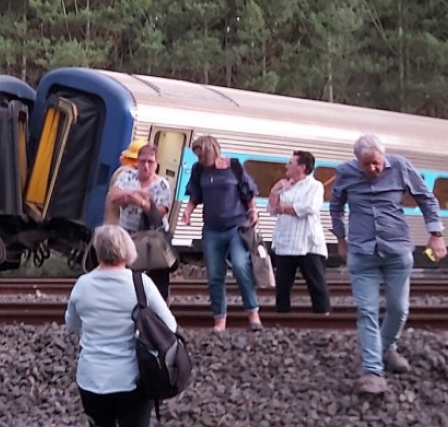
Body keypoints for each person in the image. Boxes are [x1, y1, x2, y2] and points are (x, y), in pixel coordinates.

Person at [65, 224, 176, 427]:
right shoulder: (140, 284)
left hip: (92, 380)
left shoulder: (83, 285)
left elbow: (71, 325)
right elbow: (169, 325)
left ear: (98, 252)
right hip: (132, 382)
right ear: (128, 250)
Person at [330, 133, 447, 395]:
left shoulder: (401, 166)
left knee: (398, 308)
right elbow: (335, 207)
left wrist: (436, 234)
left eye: (376, 163)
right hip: (362, 252)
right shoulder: (345, 173)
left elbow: (426, 199)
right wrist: (340, 238)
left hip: (397, 250)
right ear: (357, 161)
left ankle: (386, 347)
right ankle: (373, 372)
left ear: (384, 157)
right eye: (366, 165)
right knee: (367, 311)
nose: (372, 169)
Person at [180, 135, 262, 332]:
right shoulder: (199, 169)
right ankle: (220, 319)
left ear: (212, 152)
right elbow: (195, 194)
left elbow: (248, 192)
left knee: (241, 266)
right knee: (215, 275)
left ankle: (253, 313)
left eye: (201, 155)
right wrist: (188, 211)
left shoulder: (234, 166)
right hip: (211, 228)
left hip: (236, 226)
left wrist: (252, 211)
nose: (199, 160)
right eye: (197, 156)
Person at [104, 142, 174, 300]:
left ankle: (159, 309)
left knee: (157, 274)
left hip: (153, 236)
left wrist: (139, 202)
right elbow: (114, 197)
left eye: (150, 162)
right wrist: (134, 194)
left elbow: (160, 212)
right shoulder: (127, 176)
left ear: (156, 163)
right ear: (137, 162)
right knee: (128, 272)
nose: (146, 166)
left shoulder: (161, 184)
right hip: (129, 233)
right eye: (142, 161)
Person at [267, 151, 332, 314]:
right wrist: (275, 191)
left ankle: (322, 315)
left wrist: (283, 208)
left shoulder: (315, 186)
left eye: (290, 163)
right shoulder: (286, 186)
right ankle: (281, 317)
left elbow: (310, 207)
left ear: (302, 167)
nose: (286, 166)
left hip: (307, 243)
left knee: (316, 284)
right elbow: (272, 209)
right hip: (285, 241)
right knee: (282, 286)